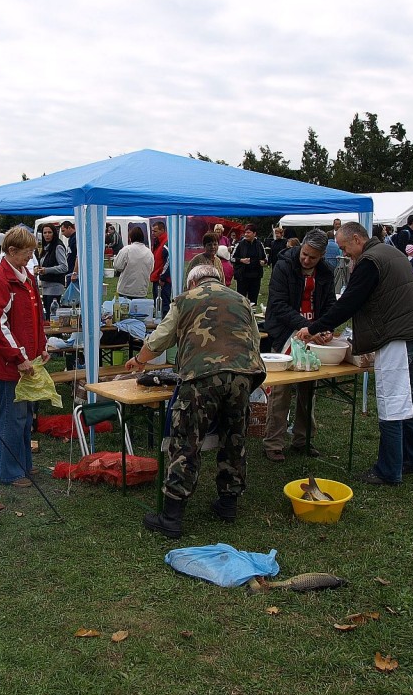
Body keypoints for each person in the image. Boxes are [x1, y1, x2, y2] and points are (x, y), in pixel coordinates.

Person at [125, 264, 265, 537]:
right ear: (220, 280)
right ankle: (228, 504)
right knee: (234, 438)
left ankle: (171, 517)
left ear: (192, 283)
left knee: (186, 441)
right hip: (242, 376)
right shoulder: (241, 300)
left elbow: (160, 339)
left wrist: (140, 359)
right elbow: (255, 341)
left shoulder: (184, 300)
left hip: (202, 377)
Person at [296, 222, 413, 486]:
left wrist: (314, 328)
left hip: (395, 337)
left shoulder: (369, 261)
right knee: (408, 397)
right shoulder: (391, 252)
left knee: (392, 401)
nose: (344, 253)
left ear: (357, 239)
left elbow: (349, 302)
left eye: (345, 247)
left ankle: (389, 470)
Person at [0, 226, 48, 488]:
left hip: (26, 360)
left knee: (25, 415)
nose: (30, 257)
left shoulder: (26, 277)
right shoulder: (0, 279)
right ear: (11, 251)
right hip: (9, 363)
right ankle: (9, 471)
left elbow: (35, 316)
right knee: (12, 416)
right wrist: (18, 357)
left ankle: (24, 464)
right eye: (27, 252)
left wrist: (41, 346)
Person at [262, 229, 336, 462]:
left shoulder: (326, 272)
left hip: (311, 336)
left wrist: (326, 327)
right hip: (285, 333)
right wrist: (308, 327)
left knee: (308, 389)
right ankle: (274, 442)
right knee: (281, 390)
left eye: (312, 257)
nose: (306, 259)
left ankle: (303, 439)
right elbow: (278, 304)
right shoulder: (283, 266)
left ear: (321, 256)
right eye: (304, 254)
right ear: (301, 247)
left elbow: (330, 304)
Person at [34, 222, 68, 319]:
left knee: (52, 315)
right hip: (45, 285)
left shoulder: (58, 247)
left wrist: (47, 270)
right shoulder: (45, 247)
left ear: (54, 233)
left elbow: (64, 267)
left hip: (55, 285)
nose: (47, 235)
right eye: (45, 233)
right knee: (48, 315)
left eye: (49, 232)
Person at [113, 226, 155, 299]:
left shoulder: (126, 250)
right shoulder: (149, 252)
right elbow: (151, 268)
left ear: (130, 237)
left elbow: (118, 266)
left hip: (125, 290)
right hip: (141, 290)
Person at [233, 224, 267, 305]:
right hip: (242, 276)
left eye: (248, 232)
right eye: (245, 232)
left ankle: (253, 311)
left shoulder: (259, 244)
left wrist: (263, 261)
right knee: (241, 300)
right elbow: (232, 258)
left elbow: (265, 258)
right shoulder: (240, 244)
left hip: (256, 276)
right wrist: (241, 260)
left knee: (253, 301)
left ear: (254, 233)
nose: (246, 234)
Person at [149, 221, 171, 314]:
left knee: (163, 306)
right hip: (157, 277)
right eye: (152, 231)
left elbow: (169, 261)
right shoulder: (158, 242)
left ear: (162, 230)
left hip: (162, 280)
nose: (153, 233)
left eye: (155, 231)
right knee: (157, 305)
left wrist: (163, 277)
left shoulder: (166, 243)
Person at [59, 219, 78, 287]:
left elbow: (78, 256)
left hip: (74, 272)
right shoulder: (71, 239)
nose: (62, 233)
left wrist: (75, 272)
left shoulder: (76, 238)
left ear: (69, 228)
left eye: (63, 231)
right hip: (70, 271)